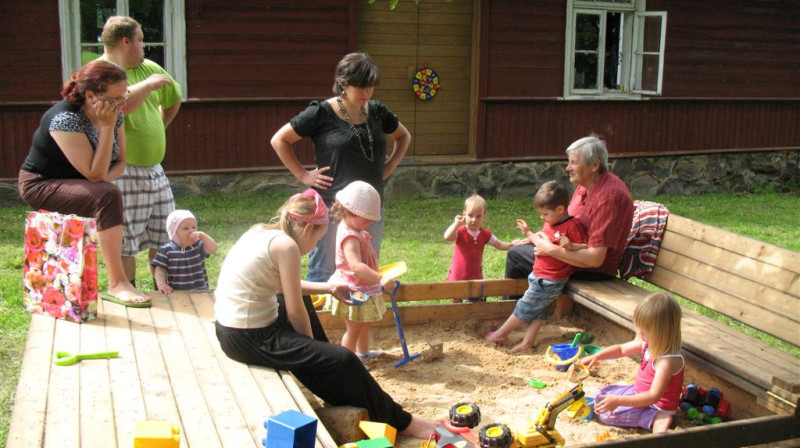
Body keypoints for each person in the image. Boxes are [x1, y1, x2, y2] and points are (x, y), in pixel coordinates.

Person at [213, 189, 437, 438]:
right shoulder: (286, 246)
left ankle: (332, 381)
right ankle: (404, 422)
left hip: (230, 331)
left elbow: (282, 286)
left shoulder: (262, 231)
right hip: (250, 338)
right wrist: (313, 354)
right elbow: (296, 312)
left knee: (316, 331)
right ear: (308, 230)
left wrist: (329, 287)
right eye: (319, 240)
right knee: (344, 360)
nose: (316, 245)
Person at [17, 59, 150, 306]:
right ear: (91, 95)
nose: (123, 104)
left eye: (125, 96)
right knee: (107, 195)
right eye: (116, 99)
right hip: (40, 183)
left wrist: (98, 183)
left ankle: (119, 281)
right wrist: (107, 130)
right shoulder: (65, 118)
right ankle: (117, 283)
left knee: (106, 193)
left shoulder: (114, 114)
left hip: (81, 181)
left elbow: (119, 163)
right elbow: (95, 174)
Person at [271, 52, 411, 284]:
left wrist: (391, 165)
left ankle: (358, 317)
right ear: (343, 85)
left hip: (369, 209)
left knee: (363, 268)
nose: (366, 94)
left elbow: (403, 135)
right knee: (326, 272)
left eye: (370, 87)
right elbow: (280, 140)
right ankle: (320, 320)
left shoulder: (377, 112)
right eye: (360, 87)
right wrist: (302, 174)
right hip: (332, 209)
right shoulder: (321, 113)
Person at [101, 16, 182, 289]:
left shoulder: (150, 67)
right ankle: (128, 290)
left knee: (165, 235)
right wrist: (147, 86)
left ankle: (164, 290)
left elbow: (173, 99)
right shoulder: (101, 72)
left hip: (155, 170)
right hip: (124, 171)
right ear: (125, 41)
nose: (144, 46)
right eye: (140, 40)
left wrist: (159, 125)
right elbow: (115, 105)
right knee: (126, 241)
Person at [504, 135, 634, 299]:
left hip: (592, 271)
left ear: (594, 165)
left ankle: (515, 309)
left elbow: (595, 259)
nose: (568, 168)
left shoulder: (608, 198)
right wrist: (535, 237)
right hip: (571, 255)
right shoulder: (585, 185)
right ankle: (526, 307)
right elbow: (564, 223)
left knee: (516, 255)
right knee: (520, 249)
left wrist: (550, 249)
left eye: (574, 162)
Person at [485, 181, 588, 352]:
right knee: (539, 311)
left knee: (524, 307)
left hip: (550, 280)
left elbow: (586, 247)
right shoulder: (551, 222)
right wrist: (528, 235)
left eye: (545, 214)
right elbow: (542, 237)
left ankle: (501, 334)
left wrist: (571, 246)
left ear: (561, 209)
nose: (542, 217)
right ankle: (528, 342)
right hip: (539, 275)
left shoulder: (572, 226)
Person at [581, 292, 684, 433]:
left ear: (660, 332)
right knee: (602, 395)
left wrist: (618, 401)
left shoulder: (666, 361)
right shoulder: (647, 342)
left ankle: (657, 418)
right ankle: (644, 413)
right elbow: (622, 349)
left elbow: (653, 396)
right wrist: (597, 356)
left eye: (644, 331)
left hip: (655, 405)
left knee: (608, 416)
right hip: (640, 392)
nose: (640, 334)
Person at [328, 181, 390, 362]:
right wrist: (380, 278)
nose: (370, 221)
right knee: (354, 327)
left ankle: (362, 353)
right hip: (353, 289)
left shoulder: (357, 228)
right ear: (350, 212)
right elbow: (355, 266)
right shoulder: (349, 236)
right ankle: (348, 361)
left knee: (365, 323)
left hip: (363, 286)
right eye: (367, 217)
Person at [444, 194, 515, 302]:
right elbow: (447, 237)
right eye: (470, 215)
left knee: (476, 300)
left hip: (475, 275)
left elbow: (499, 244)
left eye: (478, 216)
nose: (474, 219)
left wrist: (512, 244)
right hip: (459, 274)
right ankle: (458, 316)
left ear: (484, 217)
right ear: (464, 215)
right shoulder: (460, 231)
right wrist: (456, 224)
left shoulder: (484, 234)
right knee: (457, 301)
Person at [151, 209, 218, 295]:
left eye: (194, 227)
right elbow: (160, 270)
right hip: (176, 292)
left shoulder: (198, 246)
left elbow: (213, 249)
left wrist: (203, 236)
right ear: (174, 232)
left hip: (200, 291)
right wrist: (161, 284)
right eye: (185, 228)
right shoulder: (167, 250)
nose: (191, 231)